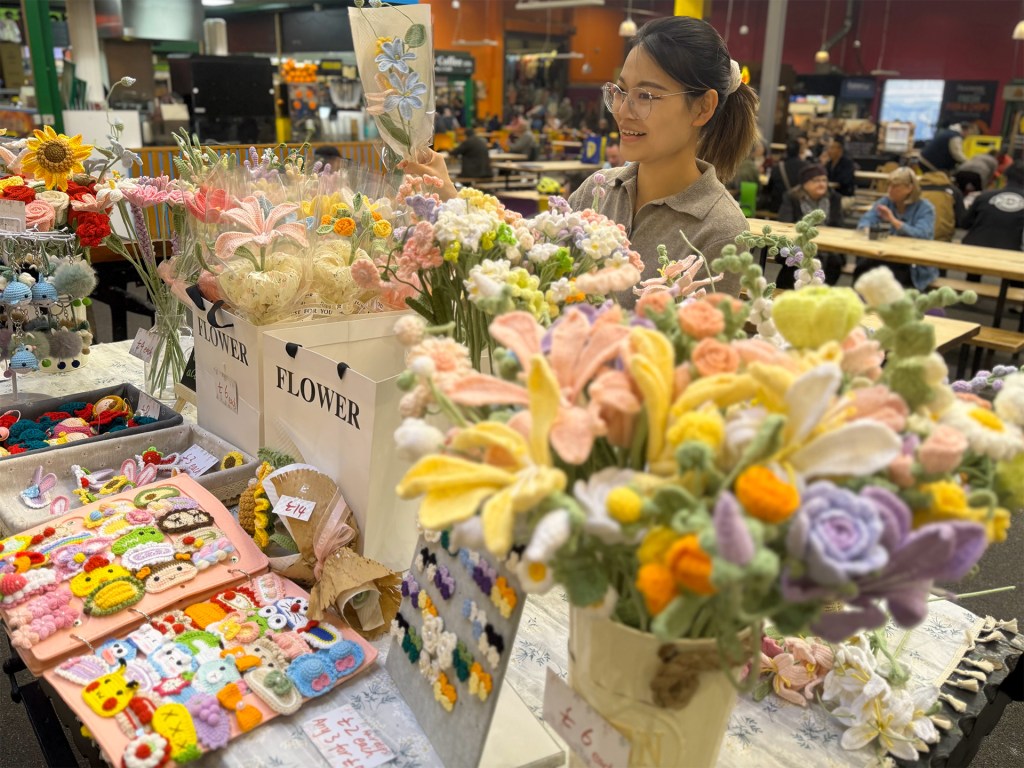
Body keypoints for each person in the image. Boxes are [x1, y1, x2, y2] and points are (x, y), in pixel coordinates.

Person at [398, 16, 758, 301]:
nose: (622, 111)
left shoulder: (720, 230)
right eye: (620, 91)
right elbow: (527, 262)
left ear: (703, 107)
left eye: (646, 95)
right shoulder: (598, 191)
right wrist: (446, 192)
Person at [853, 167, 937, 290]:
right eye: (889, 186)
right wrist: (866, 228)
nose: (889, 190)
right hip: (884, 255)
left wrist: (893, 221)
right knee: (861, 270)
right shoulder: (886, 202)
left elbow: (922, 234)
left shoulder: (925, 208)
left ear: (909, 188)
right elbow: (866, 220)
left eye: (895, 187)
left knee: (889, 277)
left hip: (911, 262)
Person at [776, 164, 845, 288]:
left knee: (834, 261)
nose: (821, 184)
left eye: (824, 180)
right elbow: (785, 224)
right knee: (798, 260)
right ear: (805, 183)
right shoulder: (792, 198)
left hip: (827, 246)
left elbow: (839, 226)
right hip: (799, 243)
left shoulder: (834, 198)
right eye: (816, 180)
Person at [962, 160, 1024, 252]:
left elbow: (965, 223)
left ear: (1006, 176)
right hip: (1010, 254)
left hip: (973, 249)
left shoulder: (984, 196)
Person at [765, 139, 807, 213]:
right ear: (799, 151)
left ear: (786, 151)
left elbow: (769, 189)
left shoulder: (778, 167)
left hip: (778, 207)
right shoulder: (806, 167)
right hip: (799, 208)